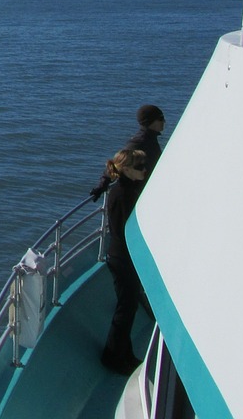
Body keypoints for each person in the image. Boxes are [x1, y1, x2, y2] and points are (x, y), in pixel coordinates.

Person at [100, 148, 148, 375]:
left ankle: (124, 353)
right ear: (127, 170)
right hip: (122, 258)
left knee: (129, 308)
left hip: (126, 257)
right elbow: (120, 231)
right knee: (125, 308)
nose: (145, 171)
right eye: (140, 167)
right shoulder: (121, 194)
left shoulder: (130, 189)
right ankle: (112, 357)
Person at [90, 104, 165, 200]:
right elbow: (118, 163)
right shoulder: (140, 141)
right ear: (151, 121)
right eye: (161, 118)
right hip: (139, 194)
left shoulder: (150, 138)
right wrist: (101, 187)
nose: (164, 121)